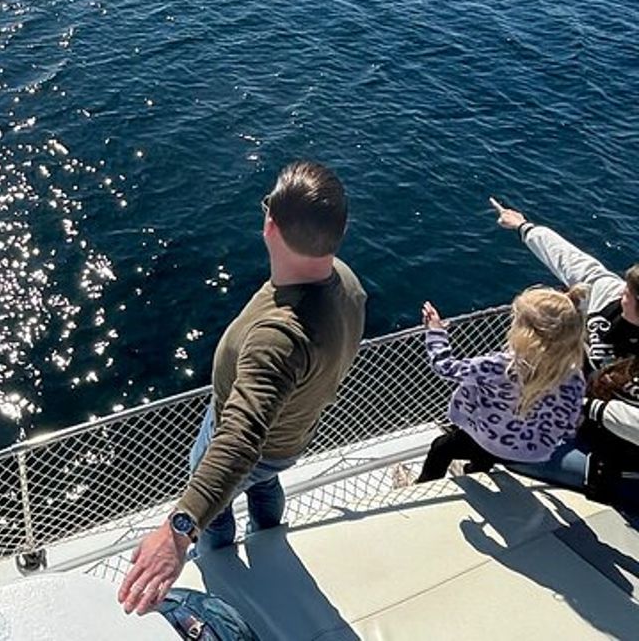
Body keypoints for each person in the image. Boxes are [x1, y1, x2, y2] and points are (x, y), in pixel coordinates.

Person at [117, 161, 366, 615]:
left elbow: (238, 444)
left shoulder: (278, 337)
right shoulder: (346, 282)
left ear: (269, 223)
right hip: (291, 436)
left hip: (250, 441)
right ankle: (268, 532)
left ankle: (217, 557)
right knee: (265, 481)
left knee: (225, 484)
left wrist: (176, 532)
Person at [489, 198, 639, 504]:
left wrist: (586, 406)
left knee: (506, 454)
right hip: (573, 414)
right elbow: (569, 259)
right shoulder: (607, 298)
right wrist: (523, 226)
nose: (622, 293)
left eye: (631, 294)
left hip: (615, 455)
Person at [414, 288, 586, 482]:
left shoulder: (500, 366)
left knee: (441, 447)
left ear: (526, 334)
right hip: (528, 450)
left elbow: (444, 367)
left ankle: (422, 484)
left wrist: (435, 331)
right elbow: (570, 423)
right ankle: (476, 471)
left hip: (488, 437)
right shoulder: (574, 378)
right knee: (487, 451)